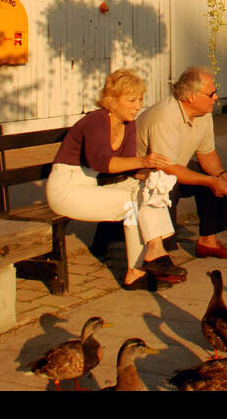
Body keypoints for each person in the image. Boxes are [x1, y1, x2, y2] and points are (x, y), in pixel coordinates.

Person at [46, 68, 187, 289]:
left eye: (140, 99)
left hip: (90, 184)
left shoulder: (128, 125)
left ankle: (152, 254)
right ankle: (141, 267)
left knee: (148, 190)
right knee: (131, 204)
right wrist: (144, 162)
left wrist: (150, 174)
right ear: (111, 101)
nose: (137, 106)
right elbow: (101, 163)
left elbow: (127, 165)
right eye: (131, 100)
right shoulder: (96, 121)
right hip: (66, 189)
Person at [136, 67, 227, 259]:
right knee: (168, 185)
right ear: (190, 96)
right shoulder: (165, 117)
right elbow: (165, 167)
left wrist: (223, 176)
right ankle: (160, 255)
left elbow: (207, 153)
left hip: (173, 167)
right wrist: (210, 182)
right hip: (144, 173)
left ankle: (208, 242)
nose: (216, 97)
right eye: (210, 93)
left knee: (212, 178)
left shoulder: (202, 113)